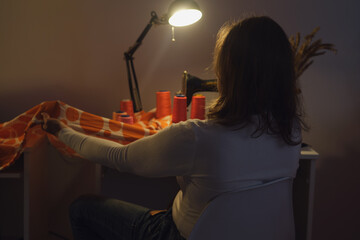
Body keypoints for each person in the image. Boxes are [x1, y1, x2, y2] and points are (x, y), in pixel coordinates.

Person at [42, 16, 307, 240]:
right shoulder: (292, 132)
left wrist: (63, 131)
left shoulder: (199, 138)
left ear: (229, 74)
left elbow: (119, 158)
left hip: (177, 234)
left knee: (82, 208)